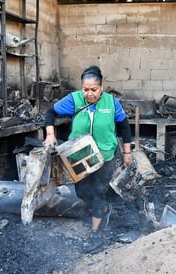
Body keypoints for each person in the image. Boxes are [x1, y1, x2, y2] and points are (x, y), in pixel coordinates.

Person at [44, 65, 132, 253]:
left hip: (105, 156)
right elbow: (50, 113)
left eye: (94, 90)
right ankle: (100, 208)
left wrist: (127, 153)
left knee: (97, 191)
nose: (90, 94)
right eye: (86, 89)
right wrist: (50, 134)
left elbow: (124, 127)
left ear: (101, 87)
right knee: (82, 191)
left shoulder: (111, 102)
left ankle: (95, 231)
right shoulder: (74, 100)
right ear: (81, 87)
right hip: (79, 156)